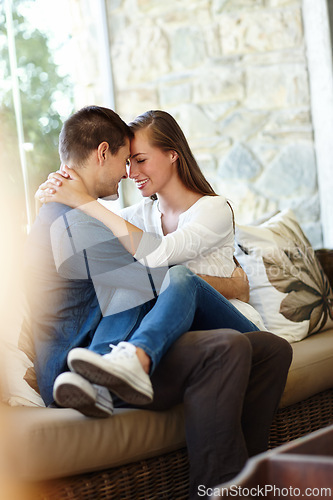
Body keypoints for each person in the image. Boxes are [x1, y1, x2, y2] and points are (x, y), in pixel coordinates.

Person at [32, 106, 292, 498]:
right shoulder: (72, 221)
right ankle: (220, 492)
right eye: (125, 160)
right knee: (225, 343)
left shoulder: (73, 215)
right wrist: (229, 287)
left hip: (101, 349)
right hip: (79, 369)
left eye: (138, 161)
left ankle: (249, 485)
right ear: (103, 152)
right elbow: (149, 280)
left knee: (271, 349)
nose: (127, 173)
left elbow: (142, 268)